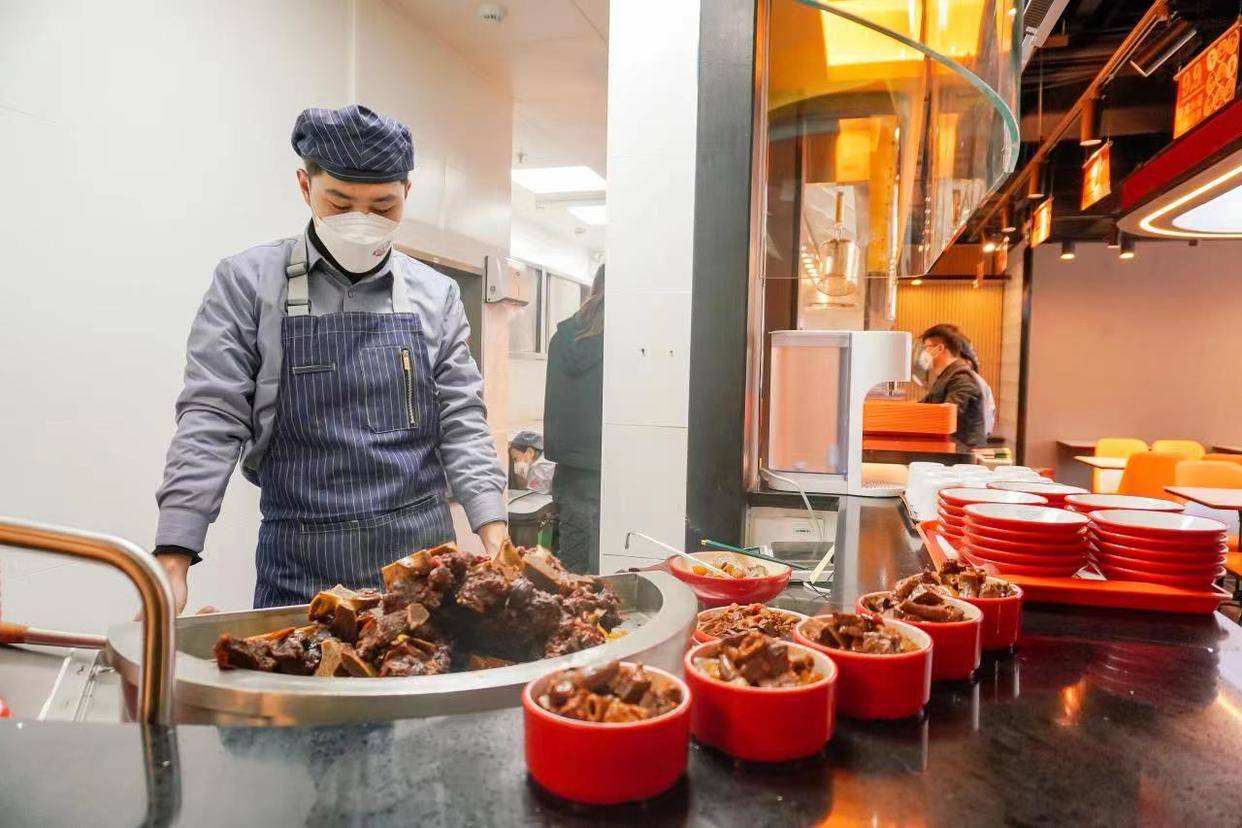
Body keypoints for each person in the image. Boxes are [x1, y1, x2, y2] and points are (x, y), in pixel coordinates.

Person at [153, 105, 507, 611]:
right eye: (339, 203)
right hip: (301, 566)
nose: (362, 221)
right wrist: (174, 555)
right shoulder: (248, 283)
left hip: (424, 566)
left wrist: (493, 530)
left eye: (383, 207)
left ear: (407, 193)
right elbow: (212, 418)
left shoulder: (437, 295)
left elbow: (461, 420)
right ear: (305, 186)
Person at [543, 265, 604, 574]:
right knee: (612, 575)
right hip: (611, 474)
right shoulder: (624, 344)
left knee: (574, 575)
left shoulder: (562, 337)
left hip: (570, 476)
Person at [917, 323, 987, 450]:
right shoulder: (947, 375)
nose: (923, 353)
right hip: (950, 449)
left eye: (926, 347)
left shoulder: (962, 378)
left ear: (940, 348)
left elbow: (947, 415)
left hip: (962, 455)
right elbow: (925, 405)